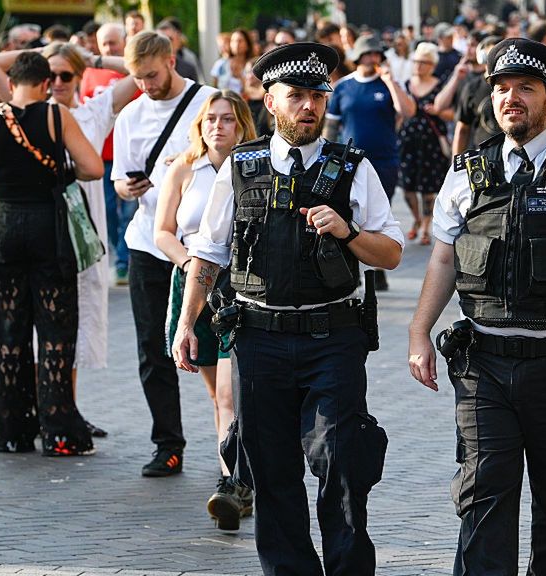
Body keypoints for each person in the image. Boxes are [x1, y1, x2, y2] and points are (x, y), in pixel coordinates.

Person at [176, 42, 404, 575]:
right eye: (295, 96)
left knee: (342, 465)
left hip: (333, 338)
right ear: (270, 102)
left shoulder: (352, 168)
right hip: (259, 339)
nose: (309, 106)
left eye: (317, 96)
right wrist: (188, 322)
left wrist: (347, 232)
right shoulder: (241, 167)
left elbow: (391, 253)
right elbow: (207, 253)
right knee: (274, 473)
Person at [408, 38, 546, 575]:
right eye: (502, 89)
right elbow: (443, 260)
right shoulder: (468, 171)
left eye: (526, 89)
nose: (511, 98)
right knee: (483, 495)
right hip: (483, 363)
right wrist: (420, 333)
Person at [0, 52, 104, 455]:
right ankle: (60, 432)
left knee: (7, 329)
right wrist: (60, 168)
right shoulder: (57, 117)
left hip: (5, 228)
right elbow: (92, 168)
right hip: (47, 227)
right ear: (45, 83)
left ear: (12, 80)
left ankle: (13, 430)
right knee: (55, 331)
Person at [0, 42, 140, 438]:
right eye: (48, 75)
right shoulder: (25, 109)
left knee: (72, 321)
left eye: (65, 75)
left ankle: (63, 406)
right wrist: (48, 49)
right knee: (44, 319)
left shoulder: (93, 110)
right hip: (42, 226)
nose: (55, 82)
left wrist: (92, 59)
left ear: (79, 77)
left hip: (81, 228)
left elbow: (139, 71)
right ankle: (48, 411)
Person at [111, 30, 215, 477]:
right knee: (153, 347)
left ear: (171, 60)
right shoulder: (131, 114)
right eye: (137, 78)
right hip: (150, 242)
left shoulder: (209, 103)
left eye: (151, 75)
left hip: (206, 247)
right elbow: (117, 181)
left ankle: (231, 444)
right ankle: (168, 444)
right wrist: (127, 186)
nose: (146, 86)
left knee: (216, 350)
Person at [154, 91, 256, 530]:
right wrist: (190, 266)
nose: (218, 126)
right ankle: (233, 474)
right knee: (218, 395)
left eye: (227, 119)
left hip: (243, 284)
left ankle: (233, 480)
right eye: (210, 119)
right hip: (196, 281)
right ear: (200, 125)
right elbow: (162, 231)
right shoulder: (183, 168)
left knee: (233, 394)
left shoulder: (254, 165)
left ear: (241, 125)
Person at [326, 35, 414, 290]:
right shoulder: (344, 86)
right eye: (367, 54)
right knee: (351, 212)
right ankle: (353, 262)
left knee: (378, 214)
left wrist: (391, 82)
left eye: (376, 54)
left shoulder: (387, 84)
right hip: (350, 161)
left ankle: (376, 268)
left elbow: (407, 112)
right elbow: (332, 124)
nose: (372, 59)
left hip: (384, 159)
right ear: (357, 57)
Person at [80, 22, 137, 286]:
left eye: (114, 42)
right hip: (100, 154)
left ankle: (124, 262)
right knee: (108, 211)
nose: (110, 47)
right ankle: (120, 251)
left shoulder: (131, 73)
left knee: (128, 211)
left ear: (124, 43)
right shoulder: (88, 74)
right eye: (105, 43)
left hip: (130, 153)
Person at [398, 42, 450, 245]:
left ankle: (427, 226)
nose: (418, 66)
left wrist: (438, 112)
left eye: (424, 62)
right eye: (416, 61)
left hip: (431, 143)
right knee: (408, 188)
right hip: (408, 141)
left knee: (428, 189)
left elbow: (452, 114)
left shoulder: (440, 85)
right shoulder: (406, 84)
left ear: (432, 65)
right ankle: (417, 219)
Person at [450, 35, 500, 154]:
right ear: (482, 57)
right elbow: (462, 129)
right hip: (481, 157)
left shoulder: (512, 87)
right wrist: (456, 164)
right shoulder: (472, 88)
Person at [156, 18, 203, 83]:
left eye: (170, 39)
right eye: (161, 40)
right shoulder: (149, 65)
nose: (166, 43)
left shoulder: (188, 62)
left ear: (178, 40)